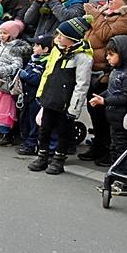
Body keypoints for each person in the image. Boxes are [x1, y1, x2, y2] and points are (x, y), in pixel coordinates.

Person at [30, 17, 93, 175]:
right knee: (44, 128)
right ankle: (42, 156)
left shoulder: (83, 58)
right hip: (51, 96)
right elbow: (48, 72)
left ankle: (59, 159)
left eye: (61, 35)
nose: (57, 38)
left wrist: (74, 108)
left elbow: (81, 85)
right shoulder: (57, 50)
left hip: (66, 102)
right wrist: (41, 93)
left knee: (64, 131)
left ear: (72, 39)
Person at [91, 35, 127, 167]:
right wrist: (101, 96)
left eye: (111, 55)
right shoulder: (116, 70)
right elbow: (113, 90)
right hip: (114, 119)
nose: (107, 58)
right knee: (115, 147)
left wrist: (105, 101)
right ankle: (115, 174)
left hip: (123, 119)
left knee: (122, 149)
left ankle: (121, 175)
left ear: (123, 54)